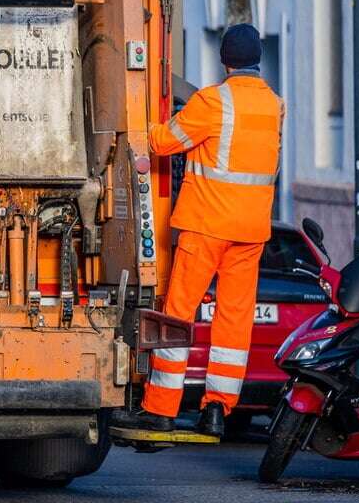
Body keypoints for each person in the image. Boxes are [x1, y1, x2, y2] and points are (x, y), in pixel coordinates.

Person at [113, 24, 283, 437]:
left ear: (225, 61)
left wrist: (142, 120)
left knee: (177, 314)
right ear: (257, 59)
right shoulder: (274, 105)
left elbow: (162, 143)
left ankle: (161, 409)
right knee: (233, 322)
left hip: (207, 226)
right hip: (251, 232)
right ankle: (216, 412)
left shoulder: (213, 101)